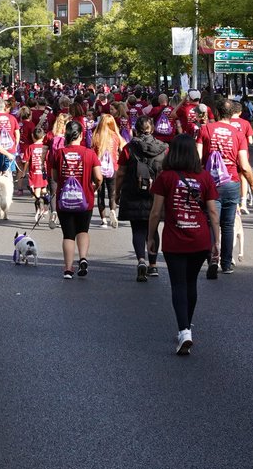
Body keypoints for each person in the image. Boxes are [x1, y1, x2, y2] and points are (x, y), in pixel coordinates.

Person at [147, 134, 221, 356]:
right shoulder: (205, 177)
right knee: (191, 284)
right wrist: (216, 241)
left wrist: (151, 237)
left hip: (174, 238)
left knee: (178, 285)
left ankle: (184, 331)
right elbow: (213, 213)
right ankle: (187, 325)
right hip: (200, 239)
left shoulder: (165, 177)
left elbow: (155, 212)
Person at [197, 100, 253, 275]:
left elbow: (197, 159)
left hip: (210, 183)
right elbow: (244, 165)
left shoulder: (205, 130)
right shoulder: (238, 134)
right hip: (231, 182)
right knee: (228, 224)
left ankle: (212, 258)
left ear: (216, 112)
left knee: (212, 222)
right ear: (233, 113)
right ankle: (226, 263)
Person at [115, 116, 167, 281]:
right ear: (152, 129)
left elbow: (121, 172)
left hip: (133, 192)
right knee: (153, 229)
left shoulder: (128, 148)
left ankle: (141, 260)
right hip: (156, 194)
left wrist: (116, 192)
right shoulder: (164, 149)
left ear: (135, 130)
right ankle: (153, 265)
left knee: (137, 229)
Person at [48, 121, 102, 279]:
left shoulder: (59, 153)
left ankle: (68, 268)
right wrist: (94, 187)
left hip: (64, 200)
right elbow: (99, 177)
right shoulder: (89, 153)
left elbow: (55, 177)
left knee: (68, 235)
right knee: (83, 230)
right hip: (85, 198)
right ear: (82, 134)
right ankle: (83, 258)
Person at [92, 114, 126, 228]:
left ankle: (104, 220)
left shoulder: (96, 136)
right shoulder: (116, 136)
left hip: (99, 168)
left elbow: (93, 151)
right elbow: (122, 150)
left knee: (100, 194)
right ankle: (113, 211)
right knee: (112, 193)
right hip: (113, 167)